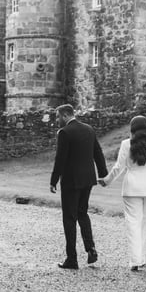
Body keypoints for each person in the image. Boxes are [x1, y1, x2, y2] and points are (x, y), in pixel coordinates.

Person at [101, 115, 146, 271]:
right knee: (145, 224)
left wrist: (107, 181)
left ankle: (135, 260)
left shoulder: (126, 144)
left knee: (133, 223)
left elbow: (118, 167)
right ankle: (141, 258)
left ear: (132, 129)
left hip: (132, 187)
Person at [49, 104, 108, 270]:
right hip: (88, 179)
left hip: (71, 181)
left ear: (65, 115)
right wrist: (103, 174)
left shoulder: (65, 132)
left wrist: (53, 180)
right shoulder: (89, 129)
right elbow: (98, 153)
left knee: (69, 218)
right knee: (82, 213)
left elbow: (60, 159)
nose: (57, 120)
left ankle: (72, 259)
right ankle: (91, 248)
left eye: (58, 116)